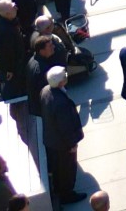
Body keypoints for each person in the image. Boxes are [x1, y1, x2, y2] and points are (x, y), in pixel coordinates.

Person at [42, 68, 87, 204]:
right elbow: (65, 126)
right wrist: (72, 144)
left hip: (52, 140)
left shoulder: (45, 91)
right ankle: (67, 195)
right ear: (60, 82)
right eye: (64, 76)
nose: (66, 77)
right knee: (67, 170)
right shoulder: (61, 103)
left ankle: (58, 189)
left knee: (58, 169)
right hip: (63, 144)